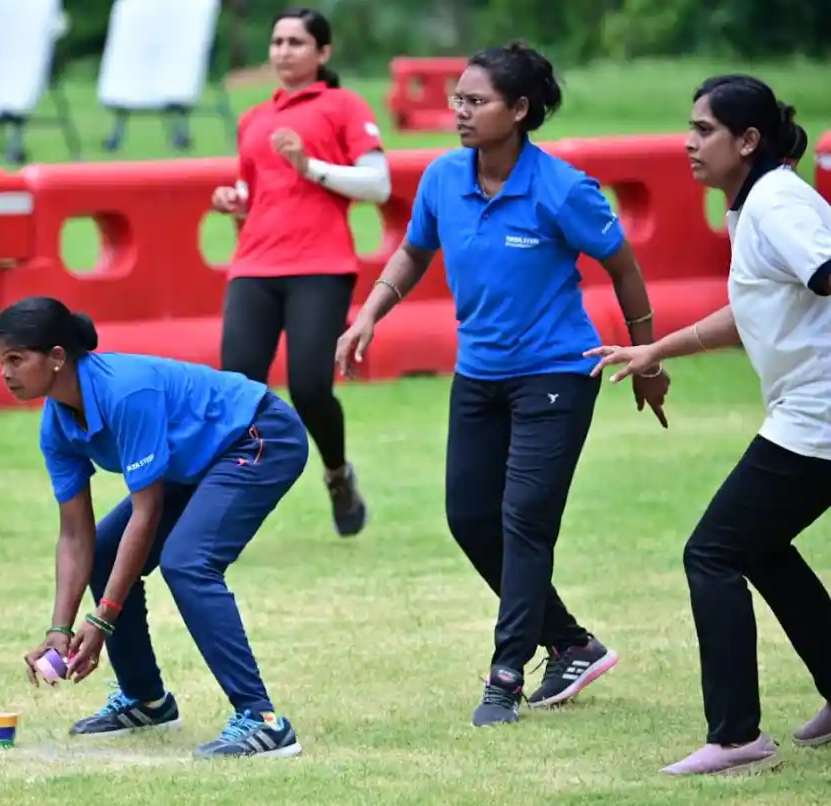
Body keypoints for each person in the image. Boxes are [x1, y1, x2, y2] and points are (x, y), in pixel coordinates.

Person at [335, 42, 671, 728]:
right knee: (469, 519)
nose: (460, 111)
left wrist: (646, 355)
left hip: (557, 374)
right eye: (457, 99)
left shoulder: (563, 189)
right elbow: (413, 252)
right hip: (479, 376)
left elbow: (624, 267)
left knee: (524, 523)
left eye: (475, 100)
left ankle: (506, 675)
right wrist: (369, 311)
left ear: (519, 110)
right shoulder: (442, 178)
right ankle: (572, 643)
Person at [588, 75, 831, 776]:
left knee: (714, 552)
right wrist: (657, 349)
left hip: (818, 417)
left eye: (704, 130)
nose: (689, 143)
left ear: (747, 141)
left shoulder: (777, 204)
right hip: (808, 413)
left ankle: (736, 736)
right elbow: (753, 307)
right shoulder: (753, 206)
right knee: (758, 547)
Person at [0, 296, 306, 760]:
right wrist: (60, 627)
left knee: (188, 562)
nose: (4, 372)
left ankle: (263, 721)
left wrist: (102, 618)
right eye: (1, 361)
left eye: (15, 359)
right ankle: (145, 700)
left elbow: (148, 509)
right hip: (195, 461)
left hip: (258, 435)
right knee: (104, 551)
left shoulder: (125, 393)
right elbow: (76, 535)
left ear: (57, 357)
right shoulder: (56, 424)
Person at [210, 6, 391, 539]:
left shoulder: (343, 105)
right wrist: (235, 201)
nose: (283, 51)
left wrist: (308, 166)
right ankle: (234, 499)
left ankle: (337, 474)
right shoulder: (253, 119)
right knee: (238, 389)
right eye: (277, 42)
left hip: (321, 265)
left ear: (323, 52)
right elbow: (256, 193)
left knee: (310, 388)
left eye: (296, 42)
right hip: (254, 265)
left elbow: (378, 184)